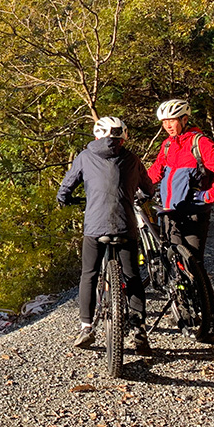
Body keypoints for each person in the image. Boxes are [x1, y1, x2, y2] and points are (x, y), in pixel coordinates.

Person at [57, 116, 154, 355]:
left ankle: (86, 327)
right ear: (122, 136)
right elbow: (148, 189)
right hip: (125, 226)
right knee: (131, 275)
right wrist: (139, 196)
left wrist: (64, 199)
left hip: (94, 227)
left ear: (97, 135)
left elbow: (66, 187)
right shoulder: (132, 159)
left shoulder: (85, 156)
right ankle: (139, 327)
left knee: (89, 274)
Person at [147, 98, 214, 263]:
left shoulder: (200, 143)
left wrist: (209, 196)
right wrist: (133, 184)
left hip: (193, 213)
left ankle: (201, 289)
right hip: (169, 212)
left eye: (172, 120)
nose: (167, 126)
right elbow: (155, 172)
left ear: (184, 119)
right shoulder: (167, 145)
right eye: (164, 121)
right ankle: (179, 288)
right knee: (175, 261)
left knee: (194, 263)